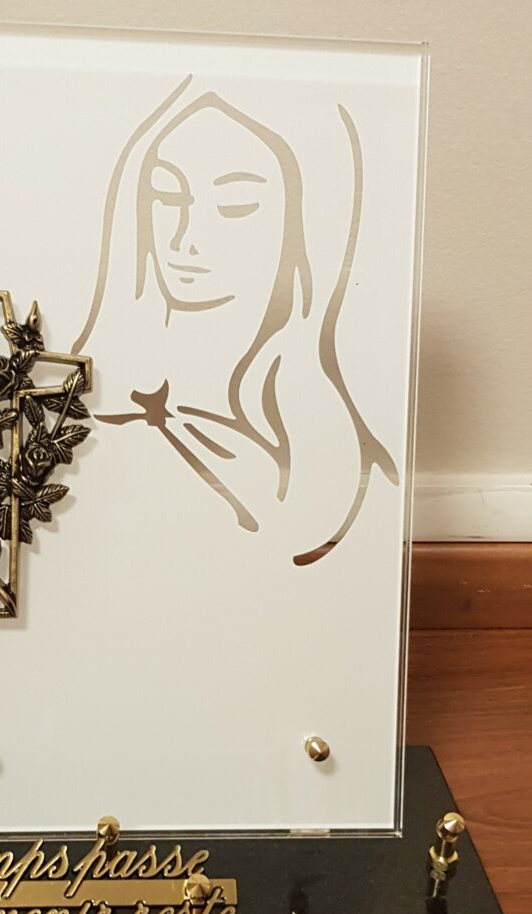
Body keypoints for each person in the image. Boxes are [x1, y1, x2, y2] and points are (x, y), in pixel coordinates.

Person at [72, 76, 398, 562]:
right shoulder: (101, 411)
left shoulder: (343, 450)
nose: (184, 239)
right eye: (168, 197)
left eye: (235, 205)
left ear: (303, 222)